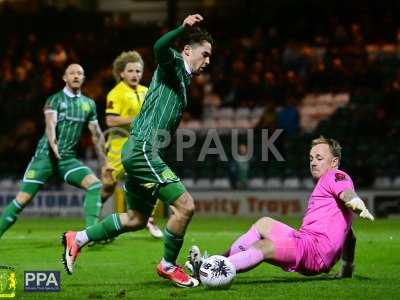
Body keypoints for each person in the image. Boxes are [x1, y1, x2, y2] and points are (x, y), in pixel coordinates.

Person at [61, 14, 213, 288]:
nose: (208, 61)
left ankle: (78, 238)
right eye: (205, 54)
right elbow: (158, 49)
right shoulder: (174, 64)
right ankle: (167, 265)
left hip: (141, 151)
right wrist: (181, 28)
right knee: (185, 206)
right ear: (188, 50)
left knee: (136, 219)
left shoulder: (184, 81)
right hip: (143, 150)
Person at [188, 137, 374, 279]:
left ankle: (210, 271)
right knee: (264, 223)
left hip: (314, 251)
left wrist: (356, 202)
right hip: (307, 242)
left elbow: (347, 193)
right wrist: (347, 267)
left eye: (319, 158)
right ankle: (213, 262)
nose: (313, 162)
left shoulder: (335, 175)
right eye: (311, 158)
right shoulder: (326, 189)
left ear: (334, 162)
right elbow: (349, 235)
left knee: (264, 246)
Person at [0, 64, 111, 238]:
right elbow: (50, 124)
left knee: (95, 185)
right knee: (22, 200)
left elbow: (97, 135)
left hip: (67, 160)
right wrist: (53, 145)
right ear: (65, 78)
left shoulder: (88, 104)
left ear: (83, 78)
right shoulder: (55, 100)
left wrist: (105, 163)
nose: (76, 76)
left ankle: (91, 235)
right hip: (45, 158)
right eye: (72, 73)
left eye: (80, 73)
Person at [101, 50, 163, 239]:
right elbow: (110, 121)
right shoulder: (116, 93)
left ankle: (149, 219)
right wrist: (137, 119)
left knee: (152, 180)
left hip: (141, 145)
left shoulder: (147, 91)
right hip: (119, 147)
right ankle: (93, 218)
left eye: (138, 71)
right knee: (108, 187)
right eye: (131, 71)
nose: (135, 74)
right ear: (122, 73)